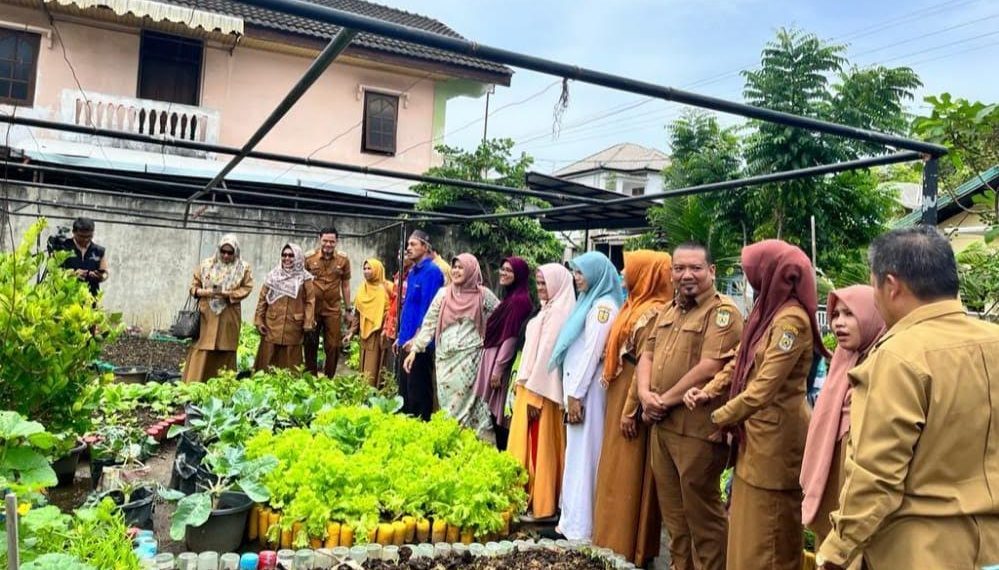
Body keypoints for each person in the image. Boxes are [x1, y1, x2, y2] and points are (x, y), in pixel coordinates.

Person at [817, 226, 999, 570]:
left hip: (921, 552)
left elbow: (876, 476)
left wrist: (836, 552)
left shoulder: (898, 358)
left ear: (891, 285)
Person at [685, 239, 826, 570]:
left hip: (776, 445)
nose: (750, 282)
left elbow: (763, 387)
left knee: (770, 538)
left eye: (752, 274)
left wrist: (718, 417)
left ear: (771, 274)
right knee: (748, 533)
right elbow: (740, 361)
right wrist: (709, 390)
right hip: (757, 437)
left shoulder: (790, 322)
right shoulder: (768, 313)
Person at [639, 242, 744, 570]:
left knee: (704, 519)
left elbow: (710, 367)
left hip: (696, 431)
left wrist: (662, 400)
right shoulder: (668, 310)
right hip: (663, 427)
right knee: (675, 518)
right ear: (671, 272)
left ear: (711, 271)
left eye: (695, 268)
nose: (687, 275)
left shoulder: (722, 312)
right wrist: (644, 394)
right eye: (679, 268)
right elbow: (648, 354)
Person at [592, 250, 673, 566]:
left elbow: (645, 363)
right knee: (614, 467)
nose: (624, 271)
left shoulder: (653, 312)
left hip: (633, 394)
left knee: (627, 470)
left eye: (631, 266)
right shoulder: (635, 305)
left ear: (647, 274)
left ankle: (626, 545)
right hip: (621, 389)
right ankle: (611, 538)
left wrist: (630, 409)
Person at [800, 286, 884, 545]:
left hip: (857, 486)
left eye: (850, 314)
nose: (839, 323)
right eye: (835, 314)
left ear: (872, 315)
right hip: (832, 477)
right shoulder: (843, 359)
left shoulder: (883, 364)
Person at [550, 250, 623, 541]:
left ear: (596, 274)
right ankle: (569, 522)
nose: (576, 277)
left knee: (584, 458)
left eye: (581, 272)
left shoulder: (603, 307)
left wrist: (575, 395)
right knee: (576, 455)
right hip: (578, 391)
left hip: (588, 393)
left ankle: (580, 529)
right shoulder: (588, 302)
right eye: (575, 272)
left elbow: (593, 353)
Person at [404, 253, 499, 442]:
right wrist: (415, 350)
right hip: (445, 361)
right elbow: (429, 323)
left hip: (471, 362)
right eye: (454, 267)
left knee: (469, 406)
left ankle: (471, 445)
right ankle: (450, 443)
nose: (455, 271)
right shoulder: (443, 294)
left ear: (472, 270)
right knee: (448, 404)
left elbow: (500, 315)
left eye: (461, 267)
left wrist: (491, 344)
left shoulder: (483, 295)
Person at [507, 263, 575, 519]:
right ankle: (529, 498)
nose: (541, 288)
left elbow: (547, 356)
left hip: (541, 392)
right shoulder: (548, 309)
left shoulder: (558, 313)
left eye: (545, 283)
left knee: (537, 447)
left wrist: (534, 395)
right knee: (527, 445)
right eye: (539, 283)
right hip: (530, 386)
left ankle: (539, 501)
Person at [474, 257, 534, 451]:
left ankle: (505, 456)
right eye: (502, 269)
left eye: (509, 270)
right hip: (496, 363)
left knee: (501, 416)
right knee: (496, 414)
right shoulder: (511, 298)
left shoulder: (519, 301)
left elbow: (511, 336)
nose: (503, 273)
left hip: (502, 367)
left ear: (519, 276)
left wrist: (498, 369)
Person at [183, 235, 254, 382]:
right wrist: (206, 292)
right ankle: (194, 385)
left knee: (225, 348)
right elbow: (193, 287)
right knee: (202, 348)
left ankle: (221, 386)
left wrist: (229, 294)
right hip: (206, 315)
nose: (226, 255)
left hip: (228, 314)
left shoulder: (243, 268)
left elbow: (247, 288)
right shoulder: (206, 265)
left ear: (236, 252)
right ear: (219, 250)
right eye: (223, 251)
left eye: (230, 252)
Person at [396, 230, 446, 420]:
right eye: (408, 245)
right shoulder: (412, 272)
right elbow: (409, 307)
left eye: (413, 244)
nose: (408, 248)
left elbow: (429, 311)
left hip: (420, 344)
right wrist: (401, 336)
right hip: (406, 340)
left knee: (418, 390)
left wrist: (417, 339)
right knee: (405, 391)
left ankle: (421, 426)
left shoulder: (432, 273)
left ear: (425, 247)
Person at [253, 244, 316, 372]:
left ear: (298, 257)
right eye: (284, 255)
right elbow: (263, 299)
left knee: (291, 361)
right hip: (272, 323)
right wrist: (259, 320)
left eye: (291, 255)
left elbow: (310, 301)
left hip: (293, 325)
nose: (287, 258)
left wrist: (308, 322)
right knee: (268, 357)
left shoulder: (305, 278)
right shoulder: (273, 275)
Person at [304, 227, 351, 377]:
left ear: (336, 242)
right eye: (325, 241)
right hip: (313, 309)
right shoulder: (309, 258)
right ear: (320, 239)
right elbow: (302, 283)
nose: (328, 244)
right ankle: (311, 378)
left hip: (333, 310)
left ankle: (329, 378)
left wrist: (348, 310)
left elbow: (345, 285)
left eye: (332, 241)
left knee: (333, 345)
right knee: (310, 343)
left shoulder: (343, 260)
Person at [344, 258, 395, 387]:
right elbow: (358, 314)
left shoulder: (387, 288)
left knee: (379, 367)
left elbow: (393, 311)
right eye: (364, 268)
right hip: (365, 335)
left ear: (377, 270)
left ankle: (378, 396)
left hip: (380, 335)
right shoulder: (362, 289)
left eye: (369, 268)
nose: (366, 271)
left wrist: (386, 328)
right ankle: (365, 394)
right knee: (365, 367)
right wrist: (351, 333)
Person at [58, 217, 109, 297]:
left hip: (90, 297)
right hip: (67, 297)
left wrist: (100, 276)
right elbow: (54, 273)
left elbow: (105, 274)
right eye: (81, 236)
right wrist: (73, 274)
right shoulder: (63, 248)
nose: (86, 239)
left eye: (89, 236)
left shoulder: (98, 251)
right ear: (73, 232)